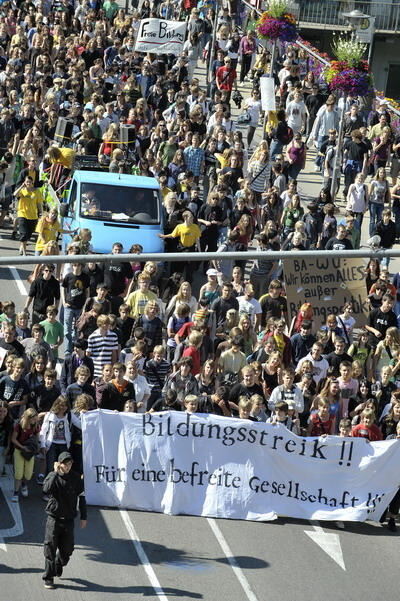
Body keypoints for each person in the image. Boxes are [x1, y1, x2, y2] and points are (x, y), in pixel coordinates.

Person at [42, 451, 87, 589]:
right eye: (65, 464)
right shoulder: (52, 476)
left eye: (69, 464)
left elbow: (82, 497)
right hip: (54, 519)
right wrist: (56, 473)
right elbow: (46, 489)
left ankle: (58, 564)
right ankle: (48, 577)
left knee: (68, 549)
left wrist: (84, 516)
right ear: (59, 464)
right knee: (50, 548)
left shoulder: (75, 478)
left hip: (68, 520)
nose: (67, 467)